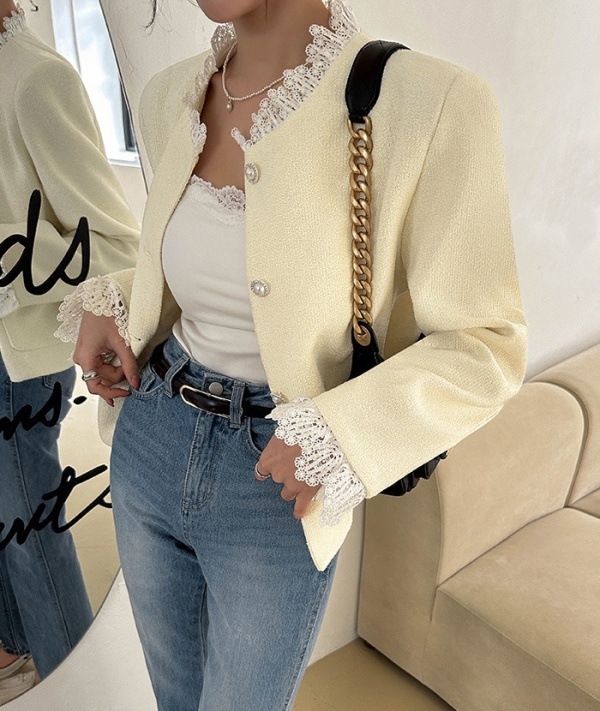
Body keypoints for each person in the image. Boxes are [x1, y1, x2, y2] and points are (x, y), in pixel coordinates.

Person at [57, 0, 528, 709]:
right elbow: (218, 269)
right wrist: (117, 298)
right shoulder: (170, 96)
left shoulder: (430, 104)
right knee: (173, 697)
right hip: (150, 439)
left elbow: (485, 343)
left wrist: (341, 434)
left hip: (277, 482)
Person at [0, 0, 140, 699]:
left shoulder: (36, 78)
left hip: (21, 359)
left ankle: (73, 689)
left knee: (30, 530)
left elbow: (115, 246)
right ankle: (14, 649)